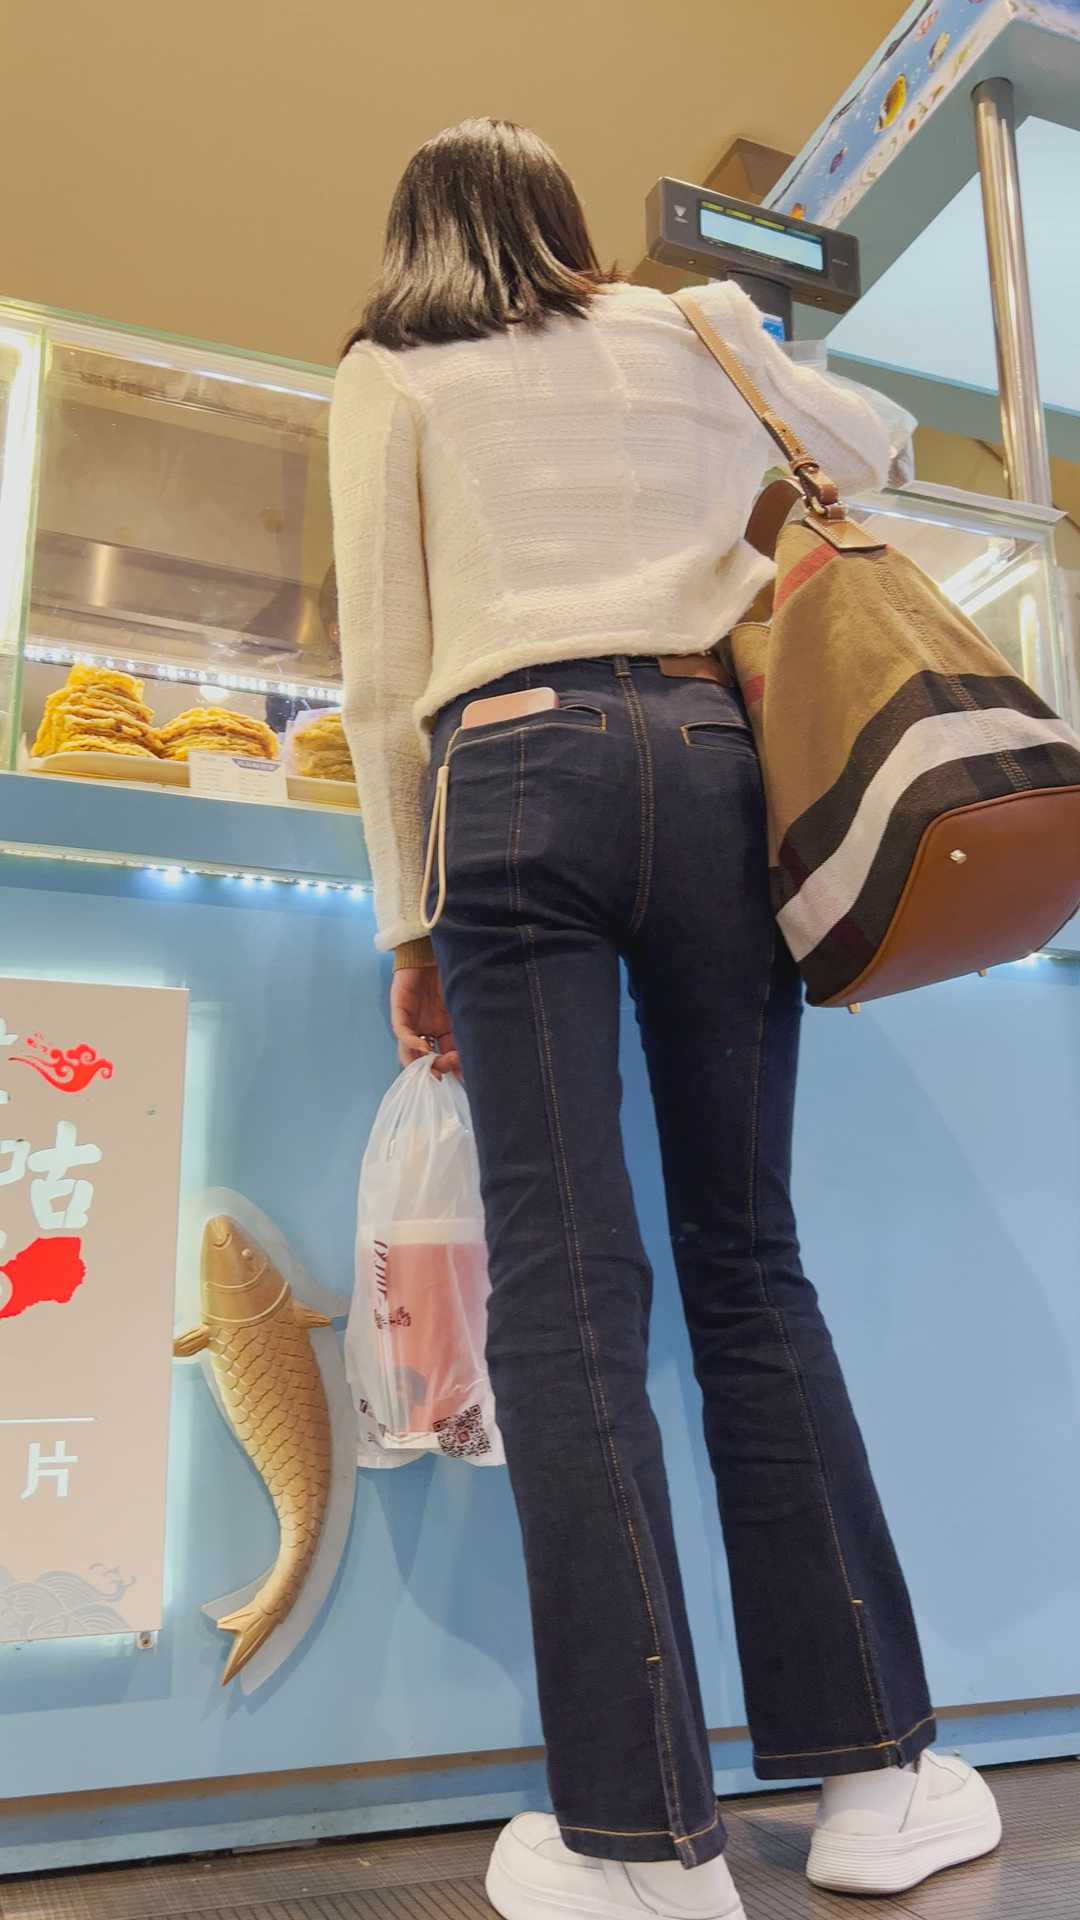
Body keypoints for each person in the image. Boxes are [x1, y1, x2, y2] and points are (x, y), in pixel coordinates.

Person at [330, 118, 1001, 1918]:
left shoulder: (392, 369)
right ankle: (878, 1783)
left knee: (569, 1294)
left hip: (507, 773)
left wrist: (410, 921)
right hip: (714, 768)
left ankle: (642, 1848)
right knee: (748, 1259)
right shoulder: (689, 323)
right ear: (564, 221)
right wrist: (721, 397)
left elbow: (382, 676)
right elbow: (877, 447)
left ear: (417, 233)